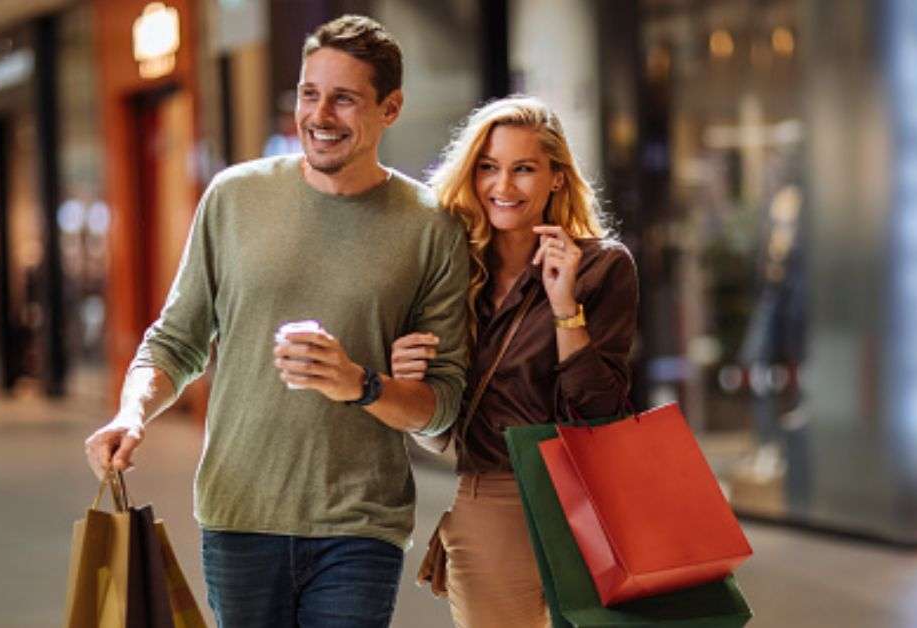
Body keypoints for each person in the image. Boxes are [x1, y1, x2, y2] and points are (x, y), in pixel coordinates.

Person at [83, 15, 469, 628]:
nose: (319, 115)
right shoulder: (233, 198)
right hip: (239, 514)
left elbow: (441, 407)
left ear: (390, 107)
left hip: (360, 523)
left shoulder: (430, 227)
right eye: (310, 94)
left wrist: (359, 383)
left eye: (344, 99)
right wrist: (132, 412)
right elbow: (177, 340)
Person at [390, 96, 639, 628]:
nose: (503, 187)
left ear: (555, 177)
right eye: (488, 168)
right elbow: (439, 428)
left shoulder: (602, 267)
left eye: (523, 168)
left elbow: (600, 410)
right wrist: (408, 381)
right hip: (494, 498)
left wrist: (565, 309)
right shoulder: (451, 273)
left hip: (594, 501)